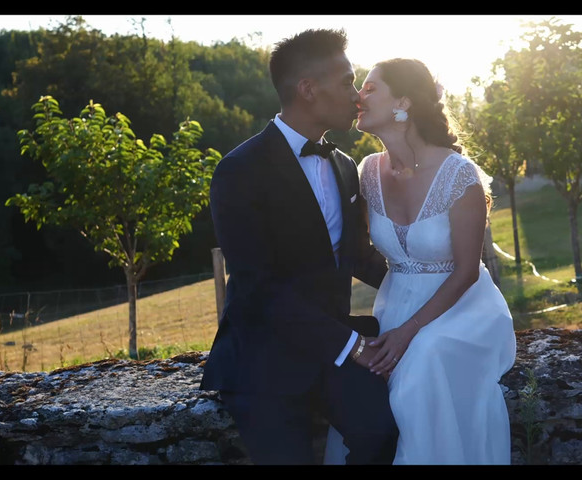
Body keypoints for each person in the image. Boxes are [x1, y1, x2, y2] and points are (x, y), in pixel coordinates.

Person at [199, 29, 399, 465]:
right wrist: (351, 345)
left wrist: (431, 281)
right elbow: (258, 288)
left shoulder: (346, 166)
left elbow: (359, 256)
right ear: (308, 89)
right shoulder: (238, 170)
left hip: (332, 352)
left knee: (383, 431)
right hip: (262, 357)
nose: (356, 94)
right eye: (347, 81)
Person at [324, 58, 517, 465]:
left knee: (424, 359)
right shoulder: (367, 172)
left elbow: (466, 271)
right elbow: (356, 253)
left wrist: (410, 332)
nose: (359, 96)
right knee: (366, 383)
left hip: (465, 309)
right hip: (396, 306)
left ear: (404, 103)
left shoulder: (459, 176)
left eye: (371, 88)